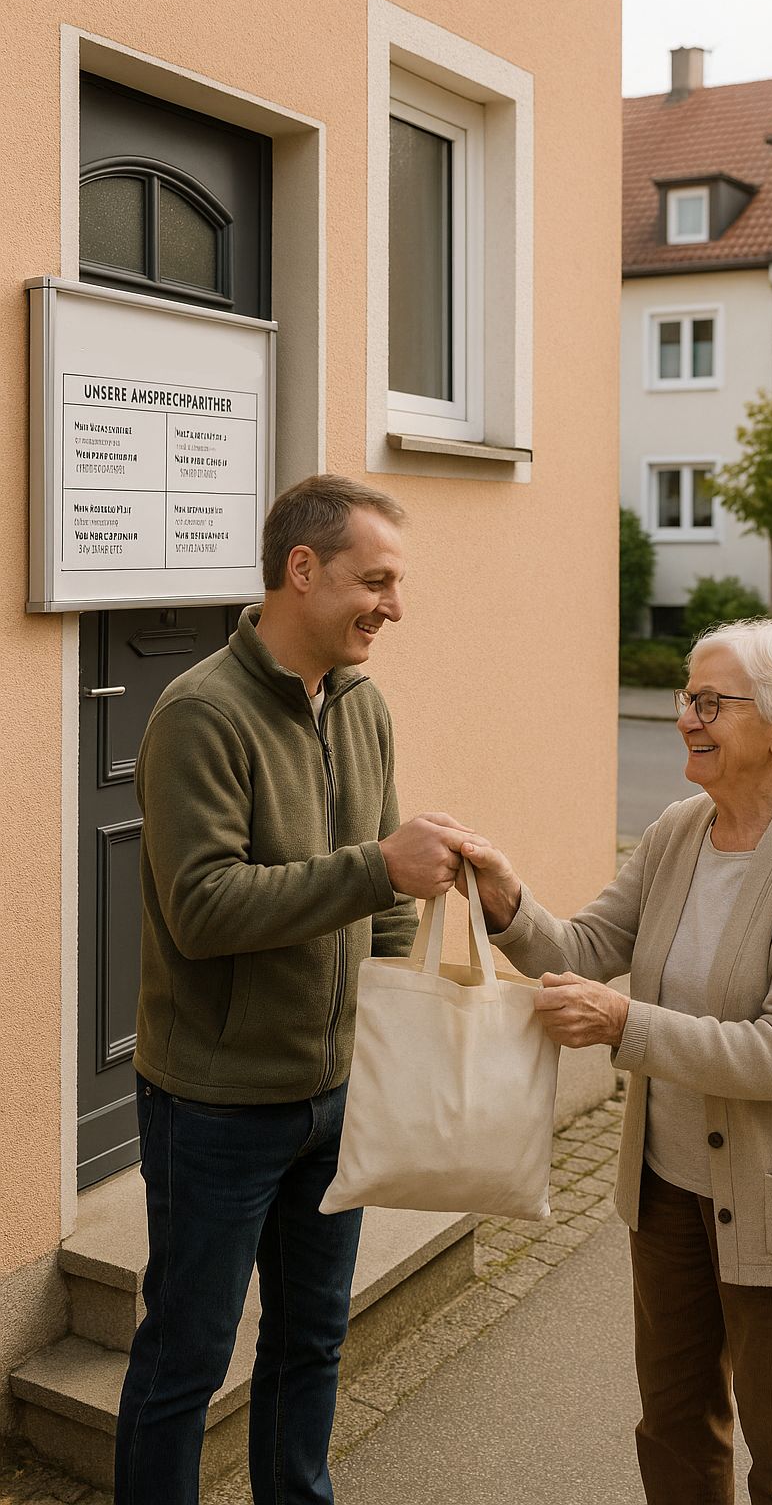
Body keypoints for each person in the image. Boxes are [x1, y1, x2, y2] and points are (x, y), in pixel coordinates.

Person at [463, 619, 772, 1505]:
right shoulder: (678, 831)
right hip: (668, 1192)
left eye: (710, 702)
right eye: (686, 697)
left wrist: (625, 1025)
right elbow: (583, 947)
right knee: (674, 1429)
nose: (686, 717)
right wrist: (505, 899)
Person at [114, 474, 483, 1504]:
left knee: (313, 1340)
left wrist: (392, 1030)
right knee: (186, 1358)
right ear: (303, 569)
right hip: (215, 1106)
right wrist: (378, 868)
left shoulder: (363, 706)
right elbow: (203, 908)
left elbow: (390, 902)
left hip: (334, 1099)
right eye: (376, 581)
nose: (393, 606)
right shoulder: (200, 713)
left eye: (396, 584)